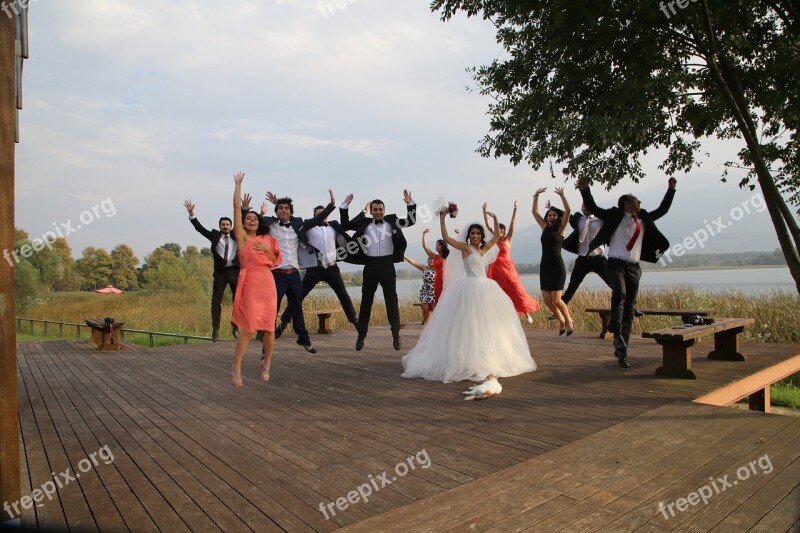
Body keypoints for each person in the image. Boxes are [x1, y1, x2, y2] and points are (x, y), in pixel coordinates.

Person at [401, 206, 536, 383]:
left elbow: (496, 237)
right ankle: (465, 360)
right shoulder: (465, 249)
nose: (475, 236)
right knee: (468, 325)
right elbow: (448, 238)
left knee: (487, 325)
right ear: (468, 235)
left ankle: (487, 358)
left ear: (481, 236)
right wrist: (443, 219)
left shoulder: (482, 250)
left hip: (486, 289)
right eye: (472, 233)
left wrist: (494, 218)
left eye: (478, 234)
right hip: (469, 288)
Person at [580, 177, 677, 368]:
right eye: (636, 200)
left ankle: (622, 347)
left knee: (630, 307)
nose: (639, 203)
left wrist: (671, 190)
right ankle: (615, 329)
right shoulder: (615, 215)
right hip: (615, 264)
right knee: (620, 293)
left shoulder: (644, 217)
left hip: (634, 267)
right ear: (626, 203)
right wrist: (585, 188)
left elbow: (663, 210)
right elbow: (593, 207)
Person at [341, 191, 416, 352]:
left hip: (388, 264)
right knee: (366, 301)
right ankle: (362, 334)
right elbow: (345, 224)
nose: (378, 212)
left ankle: (396, 334)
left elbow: (411, 220)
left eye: (380, 209)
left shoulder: (392, 222)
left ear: (384, 210)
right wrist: (345, 206)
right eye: (375, 209)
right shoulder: (364, 223)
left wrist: (410, 203)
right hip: (370, 265)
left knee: (392, 300)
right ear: (372, 211)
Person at [275, 191, 359, 333]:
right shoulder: (308, 227)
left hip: (332, 267)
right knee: (298, 296)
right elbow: (291, 220)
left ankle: (356, 322)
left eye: (325, 212)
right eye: (319, 213)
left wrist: (357, 210)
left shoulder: (334, 226)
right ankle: (283, 323)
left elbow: (349, 224)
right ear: (315, 216)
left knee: (343, 295)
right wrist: (277, 203)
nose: (323, 214)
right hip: (314, 268)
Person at [254, 192, 323, 354]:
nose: (283, 210)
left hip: (293, 274)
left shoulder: (298, 224)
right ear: (276, 211)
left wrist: (332, 205)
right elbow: (251, 222)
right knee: (272, 309)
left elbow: (316, 220)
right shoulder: (270, 225)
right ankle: (266, 346)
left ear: (291, 212)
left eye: (286, 208)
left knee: (297, 307)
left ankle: (303, 339)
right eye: (280, 208)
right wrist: (246, 209)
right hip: (276, 274)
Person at [230, 172, 281, 387]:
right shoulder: (241, 238)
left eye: (254, 218)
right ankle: (237, 367)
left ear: (259, 223)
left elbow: (276, 260)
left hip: (267, 282)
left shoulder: (268, 239)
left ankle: (267, 363)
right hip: (250, 280)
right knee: (250, 328)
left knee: (269, 328)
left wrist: (266, 251)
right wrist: (238, 185)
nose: (251, 220)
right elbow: (235, 209)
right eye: (247, 218)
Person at [183, 199, 240, 342]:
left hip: (234, 272)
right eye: (223, 225)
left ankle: (235, 325)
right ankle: (216, 328)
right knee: (216, 302)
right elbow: (200, 229)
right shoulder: (215, 236)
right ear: (220, 226)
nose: (225, 226)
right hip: (220, 273)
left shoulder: (237, 236)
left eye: (227, 224)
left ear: (231, 226)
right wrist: (191, 213)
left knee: (238, 301)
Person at [483, 200, 541, 323]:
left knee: (516, 288)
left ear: (503, 232)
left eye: (501, 230)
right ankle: (501, 316)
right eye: (496, 230)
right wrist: (484, 212)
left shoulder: (507, 240)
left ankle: (526, 312)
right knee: (499, 292)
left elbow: (512, 223)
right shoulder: (493, 241)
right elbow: (488, 225)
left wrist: (515, 209)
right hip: (495, 270)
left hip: (507, 269)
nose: (498, 232)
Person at [532, 187, 574, 336]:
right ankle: (560, 319)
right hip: (545, 267)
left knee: (556, 299)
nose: (551, 217)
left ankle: (568, 320)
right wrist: (536, 196)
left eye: (554, 215)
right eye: (549, 215)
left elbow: (568, 210)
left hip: (557, 268)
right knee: (547, 300)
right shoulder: (544, 227)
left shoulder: (561, 229)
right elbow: (534, 212)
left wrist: (562, 195)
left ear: (558, 217)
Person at [403, 254, 435, 325]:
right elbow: (413, 262)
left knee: (434, 308)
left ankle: (435, 325)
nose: (431, 260)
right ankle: (427, 324)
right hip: (426, 292)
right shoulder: (424, 268)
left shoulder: (438, 268)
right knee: (425, 308)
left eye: (432, 259)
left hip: (435, 292)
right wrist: (403, 255)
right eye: (429, 259)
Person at [420, 230, 449, 306]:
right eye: (436, 245)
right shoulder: (434, 256)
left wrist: (459, 235)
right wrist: (424, 234)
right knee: (438, 302)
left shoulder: (448, 257)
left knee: (447, 301)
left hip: (447, 280)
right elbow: (425, 247)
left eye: (438, 245)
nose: (436, 247)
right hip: (437, 281)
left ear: (443, 246)